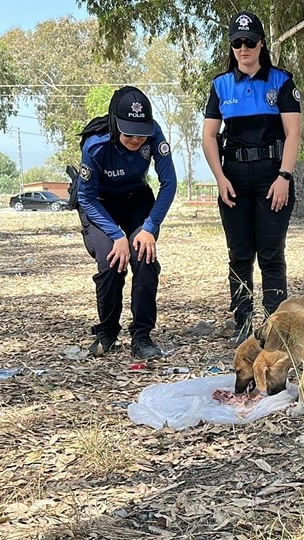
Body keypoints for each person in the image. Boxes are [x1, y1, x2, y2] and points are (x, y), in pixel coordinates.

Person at [201, 11, 302, 344]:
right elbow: (209, 136)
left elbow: (293, 133)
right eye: (236, 43)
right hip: (234, 181)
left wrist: (285, 176)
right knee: (240, 255)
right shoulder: (220, 86)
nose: (243, 49)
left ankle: (275, 327)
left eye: (249, 42)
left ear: (261, 43)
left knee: (271, 255)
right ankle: (243, 324)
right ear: (231, 47)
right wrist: (219, 178)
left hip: (272, 178)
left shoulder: (281, 82)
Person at [77, 86, 177, 360]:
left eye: (141, 132)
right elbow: (85, 197)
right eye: (129, 132)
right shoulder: (95, 145)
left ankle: (142, 336)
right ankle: (106, 332)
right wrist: (116, 235)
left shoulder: (154, 134)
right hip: (99, 203)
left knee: (144, 258)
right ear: (114, 123)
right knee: (112, 261)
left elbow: (169, 184)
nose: (136, 139)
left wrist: (150, 227)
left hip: (136, 200)